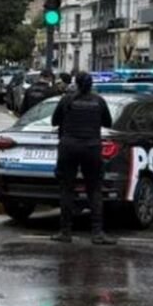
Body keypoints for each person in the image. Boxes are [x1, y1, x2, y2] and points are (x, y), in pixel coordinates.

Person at [50, 71, 116, 245]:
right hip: (91, 148)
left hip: (68, 147)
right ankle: (97, 232)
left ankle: (65, 231)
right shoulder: (98, 101)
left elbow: (54, 121)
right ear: (91, 84)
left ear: (76, 83)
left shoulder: (67, 100)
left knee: (66, 189)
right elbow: (108, 122)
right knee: (94, 190)